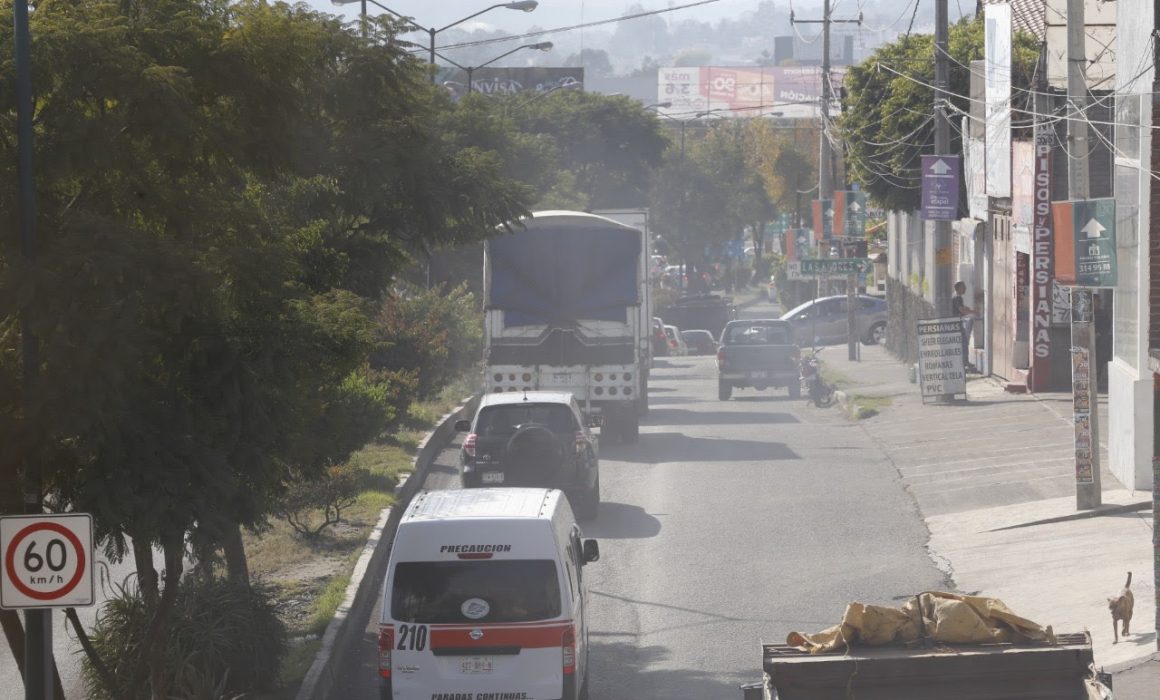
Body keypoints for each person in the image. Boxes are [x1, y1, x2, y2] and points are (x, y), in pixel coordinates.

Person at [952, 281, 977, 372]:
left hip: (954, 323)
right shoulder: (958, 298)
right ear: (958, 288)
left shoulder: (956, 297)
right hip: (956, 323)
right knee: (964, 341)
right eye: (963, 287)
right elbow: (961, 310)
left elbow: (962, 308)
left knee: (961, 342)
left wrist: (969, 309)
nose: (965, 289)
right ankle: (965, 362)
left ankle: (962, 362)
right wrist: (972, 312)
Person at [1093, 295, 1111, 391]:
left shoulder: (1102, 313)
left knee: (1099, 363)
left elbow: (1107, 326)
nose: (1098, 303)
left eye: (1099, 301)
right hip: (1090, 342)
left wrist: (1099, 333)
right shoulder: (1089, 313)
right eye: (1097, 301)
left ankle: (1096, 382)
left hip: (1100, 343)